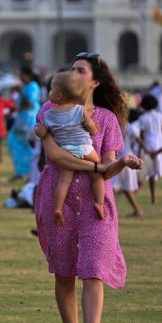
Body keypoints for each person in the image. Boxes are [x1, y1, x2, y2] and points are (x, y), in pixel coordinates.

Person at [34, 52, 144, 323]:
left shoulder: (107, 119)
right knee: (64, 271)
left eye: (80, 70)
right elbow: (53, 155)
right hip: (60, 198)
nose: (73, 74)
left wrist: (121, 163)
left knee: (94, 270)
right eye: (71, 69)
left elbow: (107, 171)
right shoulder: (50, 108)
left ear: (95, 82)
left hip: (96, 203)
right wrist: (95, 166)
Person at [35, 71, 104, 225]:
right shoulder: (80, 110)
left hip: (66, 151)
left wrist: (36, 129)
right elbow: (91, 128)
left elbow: (42, 133)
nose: (49, 92)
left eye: (51, 90)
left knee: (63, 183)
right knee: (97, 174)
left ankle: (58, 209)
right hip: (85, 148)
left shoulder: (49, 115)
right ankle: (99, 203)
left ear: (59, 96)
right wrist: (95, 129)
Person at [137, 94, 162, 204]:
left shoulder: (142, 118)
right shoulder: (159, 115)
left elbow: (142, 135)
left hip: (150, 143)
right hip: (161, 143)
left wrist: (141, 150)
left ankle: (153, 197)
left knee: (152, 173)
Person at [8, 66, 41, 182]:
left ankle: (30, 174)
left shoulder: (33, 86)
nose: (20, 77)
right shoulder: (26, 87)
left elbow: (30, 104)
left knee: (29, 146)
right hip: (21, 120)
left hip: (29, 120)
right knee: (13, 143)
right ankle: (20, 171)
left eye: (22, 75)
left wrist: (20, 92)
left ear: (27, 75)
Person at [111, 109, 143, 217]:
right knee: (126, 189)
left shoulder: (126, 127)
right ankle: (137, 210)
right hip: (123, 156)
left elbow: (138, 140)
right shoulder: (122, 126)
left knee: (112, 187)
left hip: (124, 158)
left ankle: (106, 211)